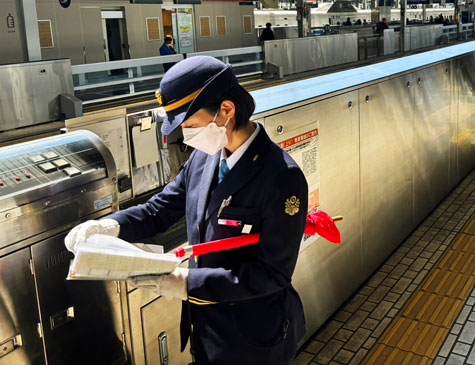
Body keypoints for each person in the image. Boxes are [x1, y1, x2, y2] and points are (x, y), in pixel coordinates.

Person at [64, 56, 308, 365]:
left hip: (253, 339)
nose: (187, 136)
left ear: (226, 110)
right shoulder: (203, 159)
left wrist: (185, 283)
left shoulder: (281, 177)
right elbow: (162, 208)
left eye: (191, 126)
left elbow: (272, 274)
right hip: (205, 331)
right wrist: (109, 226)